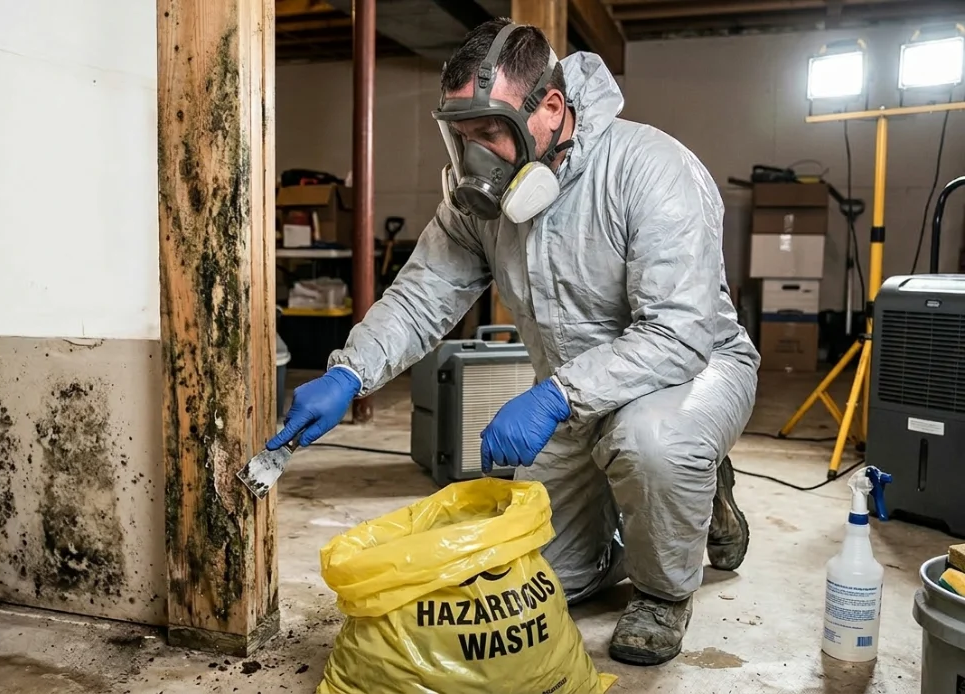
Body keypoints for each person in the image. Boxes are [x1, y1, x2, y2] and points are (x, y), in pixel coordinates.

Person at [267, 18, 759, 667]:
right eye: (460, 136)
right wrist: (349, 373)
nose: (474, 156)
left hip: (691, 372)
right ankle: (669, 504)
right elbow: (421, 296)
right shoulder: (483, 206)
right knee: (535, 585)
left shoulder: (650, 169)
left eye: (489, 133)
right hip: (573, 391)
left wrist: (556, 397)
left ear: (550, 109)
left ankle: (664, 588)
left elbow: (678, 333)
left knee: (650, 443)